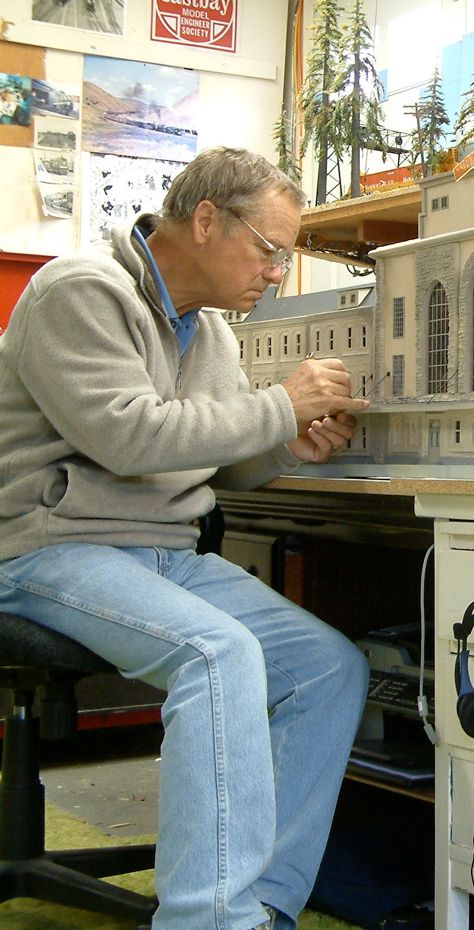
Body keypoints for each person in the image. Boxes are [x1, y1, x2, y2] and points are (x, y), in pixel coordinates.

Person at [0, 147, 372, 930]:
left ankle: (264, 902)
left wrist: (282, 447)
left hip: (163, 552)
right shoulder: (78, 291)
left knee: (327, 668)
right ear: (206, 220)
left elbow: (210, 459)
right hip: (49, 545)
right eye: (271, 250)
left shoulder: (212, 336)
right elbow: (130, 438)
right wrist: (279, 406)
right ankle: (208, 921)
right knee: (218, 653)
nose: (277, 274)